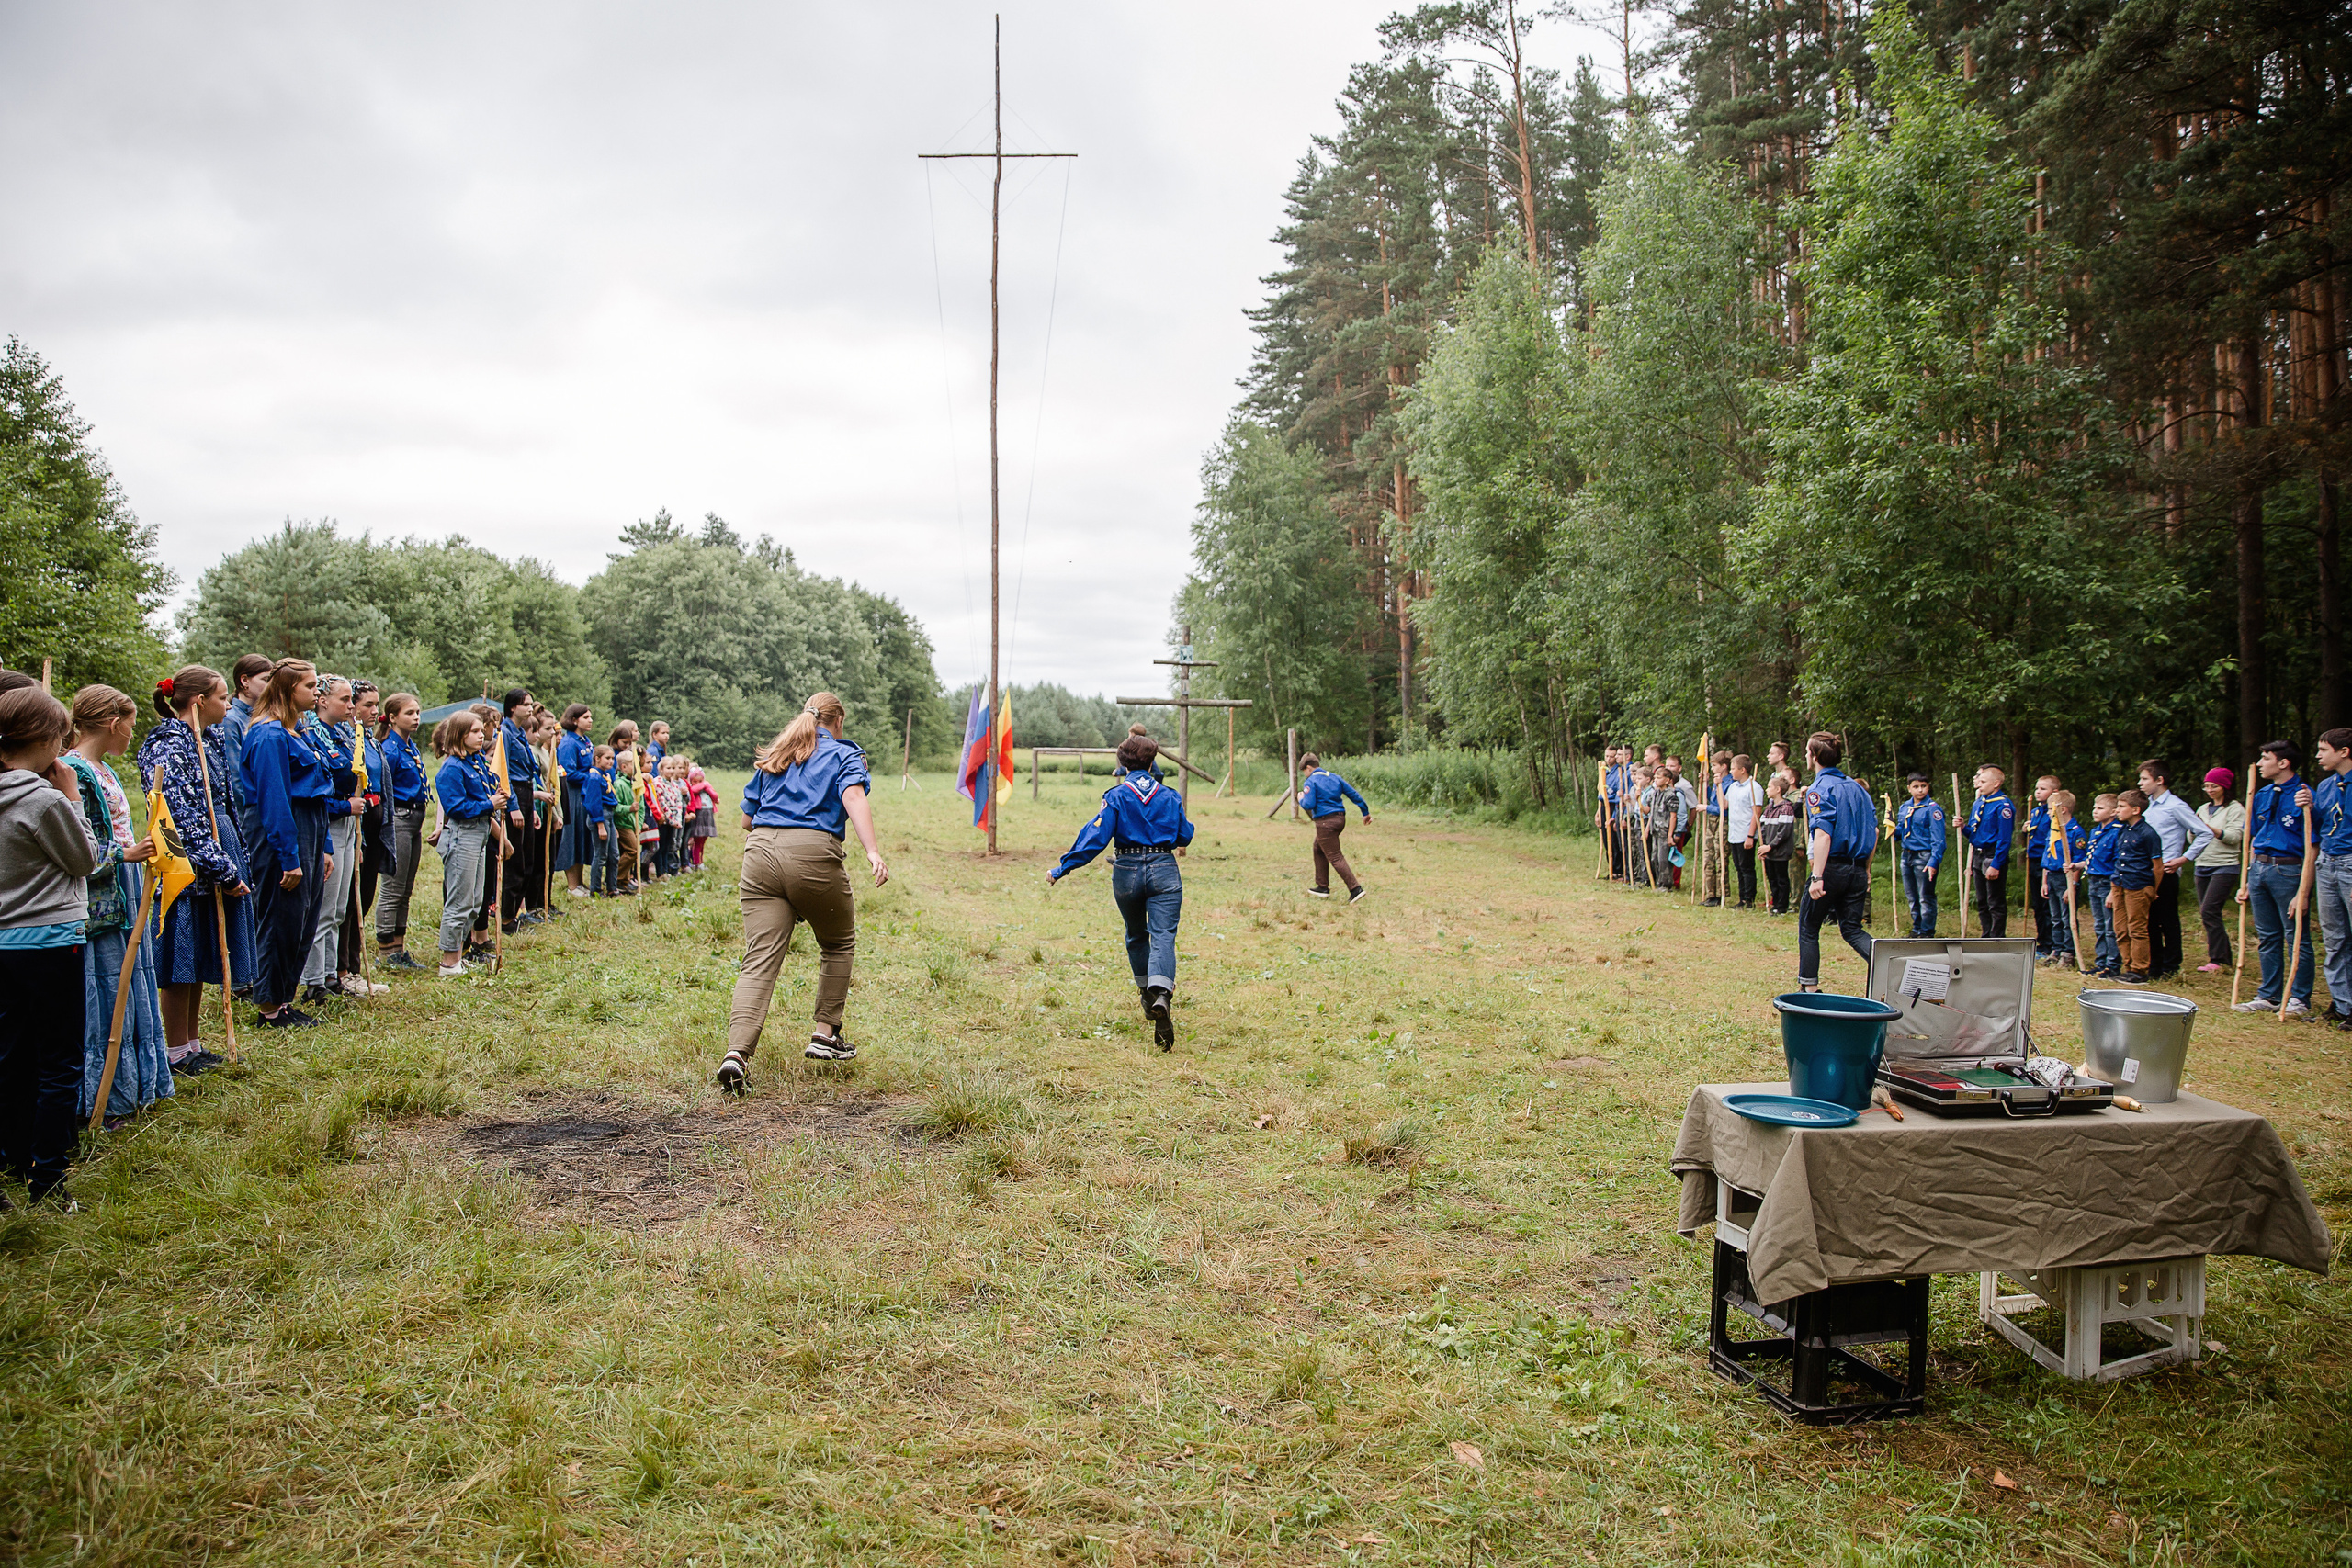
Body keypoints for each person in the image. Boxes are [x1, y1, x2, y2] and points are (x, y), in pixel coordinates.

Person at [717, 693, 888, 1089]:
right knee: (838, 942)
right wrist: (873, 852)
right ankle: (825, 1035)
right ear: (838, 720)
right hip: (812, 853)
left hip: (759, 853)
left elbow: (746, 819)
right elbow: (853, 796)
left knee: (758, 958)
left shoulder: (779, 753)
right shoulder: (845, 754)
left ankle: (736, 1053)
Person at [0, 684, 104, 1204]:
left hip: (3, 943)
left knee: (10, 1057)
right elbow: (84, 858)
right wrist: (73, 798)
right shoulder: (42, 798)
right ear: (46, 737)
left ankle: (15, 1157)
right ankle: (48, 1177)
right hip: (49, 940)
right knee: (58, 1061)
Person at [138, 666, 254, 1072]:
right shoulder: (169, 744)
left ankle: (192, 1044)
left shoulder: (207, 739)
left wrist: (236, 854)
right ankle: (174, 1051)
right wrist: (222, 867)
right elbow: (180, 818)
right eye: (223, 697)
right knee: (180, 956)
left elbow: (224, 802)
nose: (228, 705)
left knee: (203, 950)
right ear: (200, 701)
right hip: (185, 863)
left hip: (214, 851)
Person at [64, 686, 170, 1126]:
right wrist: (122, 854)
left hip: (123, 889)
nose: (132, 733)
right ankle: (102, 1098)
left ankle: (134, 1086)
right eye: (129, 723)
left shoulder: (102, 768)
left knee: (130, 984)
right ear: (113, 723)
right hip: (100, 898)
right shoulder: (74, 772)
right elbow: (72, 845)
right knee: (108, 990)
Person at [1047, 730, 1193, 1051]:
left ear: (1122, 763)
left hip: (1126, 871)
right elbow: (1184, 835)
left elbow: (1096, 838)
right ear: (1153, 760)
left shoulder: (1115, 796)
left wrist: (1062, 868)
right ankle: (1162, 993)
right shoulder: (1169, 795)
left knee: (1136, 934)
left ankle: (1146, 993)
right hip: (1164, 869)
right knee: (1164, 935)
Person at [235, 660, 331, 1030]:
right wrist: (289, 857)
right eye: (310, 686)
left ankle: (284, 1000)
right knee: (281, 918)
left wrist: (324, 848)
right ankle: (269, 1007)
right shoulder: (268, 735)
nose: (316, 693)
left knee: (302, 918)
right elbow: (274, 800)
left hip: (309, 826)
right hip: (282, 830)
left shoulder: (298, 731)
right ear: (290, 690)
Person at [298, 675, 368, 1005]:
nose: (351, 706)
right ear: (322, 700)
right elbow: (314, 790)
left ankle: (329, 973)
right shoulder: (311, 734)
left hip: (348, 825)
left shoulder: (344, 733)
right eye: (344, 699)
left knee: (339, 908)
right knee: (324, 907)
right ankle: (313, 981)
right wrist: (345, 805)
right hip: (328, 824)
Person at [2233, 740, 2315, 1016]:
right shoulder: (2261, 794)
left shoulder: (2305, 796)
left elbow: (2312, 843)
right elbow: (2252, 838)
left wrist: (2303, 890)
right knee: (2267, 936)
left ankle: (2298, 999)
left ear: (2283, 763)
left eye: (2265, 758)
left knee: (2296, 935)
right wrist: (2247, 879)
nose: (2259, 764)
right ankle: (2269, 995)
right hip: (2259, 869)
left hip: (2289, 869)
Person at [1796, 732, 1875, 992]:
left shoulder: (1820, 789)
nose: (1806, 756)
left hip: (1832, 868)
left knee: (1809, 927)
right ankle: (1892, 968)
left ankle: (1809, 989)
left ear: (1815, 757)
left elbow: (1823, 834)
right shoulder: (1859, 789)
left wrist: (1817, 876)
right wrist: (1865, 870)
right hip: (1857, 869)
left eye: (1808, 752)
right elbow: (1873, 832)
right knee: (1852, 930)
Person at [429, 712, 505, 977]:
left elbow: (486, 789)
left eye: (481, 730)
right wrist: (489, 804)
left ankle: (460, 954)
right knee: (459, 901)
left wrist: (496, 795)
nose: (481, 734)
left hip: (480, 834)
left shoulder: (475, 763)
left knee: (475, 900)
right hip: (463, 835)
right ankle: (449, 961)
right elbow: (455, 807)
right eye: (474, 731)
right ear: (460, 735)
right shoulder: (452, 768)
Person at [339, 680, 394, 993]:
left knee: (365, 893)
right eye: (368, 705)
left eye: (377, 705)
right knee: (348, 898)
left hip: (374, 821)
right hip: (354, 820)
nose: (375, 711)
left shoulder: (370, 739)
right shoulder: (344, 739)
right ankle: (344, 970)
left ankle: (354, 964)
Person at [2137, 759, 2214, 981]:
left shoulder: (2176, 806)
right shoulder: (2146, 805)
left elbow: (2204, 832)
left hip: (2167, 871)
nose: (2140, 783)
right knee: (2149, 919)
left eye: (2145, 779)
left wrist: (2184, 858)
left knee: (2167, 919)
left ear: (2159, 780)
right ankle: (2154, 964)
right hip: (2146, 871)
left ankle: (2171, 966)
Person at [372, 694, 431, 971]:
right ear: (393, 717)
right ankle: (386, 950)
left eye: (418, 712)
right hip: (399, 817)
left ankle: (399, 946)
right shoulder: (390, 749)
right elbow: (384, 789)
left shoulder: (409, 747)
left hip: (416, 818)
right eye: (409, 713)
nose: (416, 718)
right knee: (393, 886)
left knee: (406, 888)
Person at [2309, 730, 2352, 1031]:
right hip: (2327, 861)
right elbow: (2321, 825)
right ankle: (2342, 1002)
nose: (2318, 755)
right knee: (2335, 937)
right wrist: (2307, 808)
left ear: (2344, 752)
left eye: (2324, 750)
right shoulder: (2324, 786)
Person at [1295, 752, 1372, 902]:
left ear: (1309, 768)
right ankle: (1322, 886)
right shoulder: (1335, 777)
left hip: (1325, 822)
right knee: (1318, 847)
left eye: (1304, 772)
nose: (1305, 775)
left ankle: (1355, 889)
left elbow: (1309, 804)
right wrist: (1365, 812)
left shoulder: (1311, 781)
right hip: (1340, 819)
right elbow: (1354, 794)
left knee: (1335, 856)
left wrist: (1301, 799)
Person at [2107, 790, 2163, 983]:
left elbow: (2157, 866)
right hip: (2119, 883)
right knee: (2120, 928)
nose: (2117, 810)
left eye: (2122, 807)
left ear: (2136, 810)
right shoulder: (2122, 830)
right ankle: (2128, 966)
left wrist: (2152, 889)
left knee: (2137, 928)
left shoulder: (2148, 834)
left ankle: (2140, 970)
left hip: (2138, 885)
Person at [499, 689, 545, 930]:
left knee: (527, 857)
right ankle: (506, 916)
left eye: (530, 704)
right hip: (514, 794)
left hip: (527, 794)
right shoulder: (505, 733)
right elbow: (502, 772)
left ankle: (516, 912)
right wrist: (514, 806)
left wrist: (532, 808)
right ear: (512, 707)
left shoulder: (518, 732)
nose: (529, 708)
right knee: (514, 860)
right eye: (525, 704)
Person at [2194, 767, 2245, 973]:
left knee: (2209, 910)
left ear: (2225, 786)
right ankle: (2222, 957)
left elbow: (2234, 837)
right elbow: (2193, 838)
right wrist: (2193, 829)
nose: (2209, 790)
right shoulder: (2202, 809)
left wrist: (2209, 830)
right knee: (2207, 913)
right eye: (2206, 786)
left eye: (2214, 786)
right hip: (2202, 864)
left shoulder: (2235, 809)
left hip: (2225, 865)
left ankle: (2218, 959)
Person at [551, 703, 597, 897]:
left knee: (582, 837)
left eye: (590, 717)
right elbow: (567, 772)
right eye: (586, 717)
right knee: (572, 837)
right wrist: (591, 775)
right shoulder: (569, 743)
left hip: (586, 795)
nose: (590, 720)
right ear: (574, 720)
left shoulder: (585, 740)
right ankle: (571, 885)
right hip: (573, 795)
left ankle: (579, 882)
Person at [2041, 789, 2088, 968]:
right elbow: (2048, 856)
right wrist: (2044, 881)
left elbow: (2079, 860)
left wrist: (2073, 885)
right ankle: (2057, 948)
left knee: (2067, 917)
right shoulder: (2053, 830)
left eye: (2050, 808)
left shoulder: (2075, 832)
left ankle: (2068, 952)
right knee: (2055, 917)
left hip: (2066, 878)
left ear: (2062, 810)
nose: (2047, 812)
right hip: (2052, 876)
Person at [1894, 773, 1946, 936]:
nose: (1920, 790)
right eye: (1916, 787)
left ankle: (1927, 930)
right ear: (1909, 788)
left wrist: (1934, 861)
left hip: (1924, 856)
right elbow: (1901, 830)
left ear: (1928, 787)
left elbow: (1939, 839)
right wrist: (1892, 830)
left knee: (1925, 895)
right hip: (1906, 855)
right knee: (1912, 896)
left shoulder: (1932, 809)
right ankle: (1917, 927)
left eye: (1923, 786)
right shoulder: (1905, 807)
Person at [220, 653, 274, 810]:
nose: (271, 686)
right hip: (248, 815)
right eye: (265, 680)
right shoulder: (230, 721)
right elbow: (236, 779)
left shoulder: (264, 719)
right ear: (244, 681)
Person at [1966, 765, 2015, 937]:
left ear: (1996, 783)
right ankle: (1986, 935)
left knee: (1995, 901)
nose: (1979, 785)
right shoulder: (1980, 802)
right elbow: (1975, 834)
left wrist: (1996, 864)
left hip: (1992, 855)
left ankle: (1997, 938)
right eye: (1979, 781)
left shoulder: (2003, 805)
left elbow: (2004, 838)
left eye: (1983, 781)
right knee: (1982, 900)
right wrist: (1963, 827)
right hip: (1978, 855)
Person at [2085, 793, 2121, 977]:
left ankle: (2113, 964)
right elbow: (2091, 859)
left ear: (2114, 811)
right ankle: (2101, 961)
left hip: (2108, 884)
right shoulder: (2095, 831)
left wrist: (2113, 890)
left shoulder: (2117, 832)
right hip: (2093, 881)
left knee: (2110, 926)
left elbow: (2117, 863)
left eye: (2100, 808)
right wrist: (2077, 865)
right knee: (2099, 925)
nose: (2095, 811)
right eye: (2094, 807)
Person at [1722, 754, 1764, 910]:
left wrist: (1750, 836)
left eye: (1733, 769)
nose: (1731, 772)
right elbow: (1724, 805)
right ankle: (1742, 898)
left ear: (1742, 770)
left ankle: (1749, 899)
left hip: (1746, 833)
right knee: (1738, 867)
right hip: (1734, 833)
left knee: (1747, 867)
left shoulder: (1754, 787)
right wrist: (1718, 786)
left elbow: (1756, 813)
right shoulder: (1733, 787)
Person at [1758, 775, 1797, 915]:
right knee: (1772, 878)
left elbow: (1783, 833)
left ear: (1778, 790)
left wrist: (1771, 846)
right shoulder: (1769, 808)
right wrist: (1763, 846)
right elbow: (1762, 827)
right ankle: (1775, 903)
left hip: (1780, 852)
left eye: (1769, 787)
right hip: (1769, 851)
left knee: (1781, 879)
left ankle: (1782, 906)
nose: (1767, 790)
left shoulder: (1786, 808)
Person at [583, 744, 617, 896]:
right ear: (597, 759)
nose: (611, 762)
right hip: (600, 816)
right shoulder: (594, 777)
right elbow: (593, 802)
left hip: (609, 815)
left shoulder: (605, 775)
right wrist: (600, 825)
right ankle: (595, 889)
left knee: (614, 854)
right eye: (607, 758)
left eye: (612, 758)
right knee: (601, 854)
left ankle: (612, 887)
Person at [612, 747, 644, 895]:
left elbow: (641, 806)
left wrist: (639, 823)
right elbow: (615, 806)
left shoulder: (635, 783)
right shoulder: (619, 784)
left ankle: (623, 882)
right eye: (633, 764)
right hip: (622, 823)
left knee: (631, 851)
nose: (636, 767)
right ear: (624, 767)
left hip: (633, 824)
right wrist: (628, 809)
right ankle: (615, 878)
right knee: (633, 850)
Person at [686, 762, 718, 869]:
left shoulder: (706, 788)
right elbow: (693, 790)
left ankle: (700, 861)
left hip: (708, 815)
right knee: (697, 841)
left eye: (700, 781)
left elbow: (715, 796)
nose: (698, 783)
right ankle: (696, 862)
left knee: (703, 841)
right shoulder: (693, 789)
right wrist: (704, 785)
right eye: (695, 781)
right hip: (698, 816)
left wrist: (707, 787)